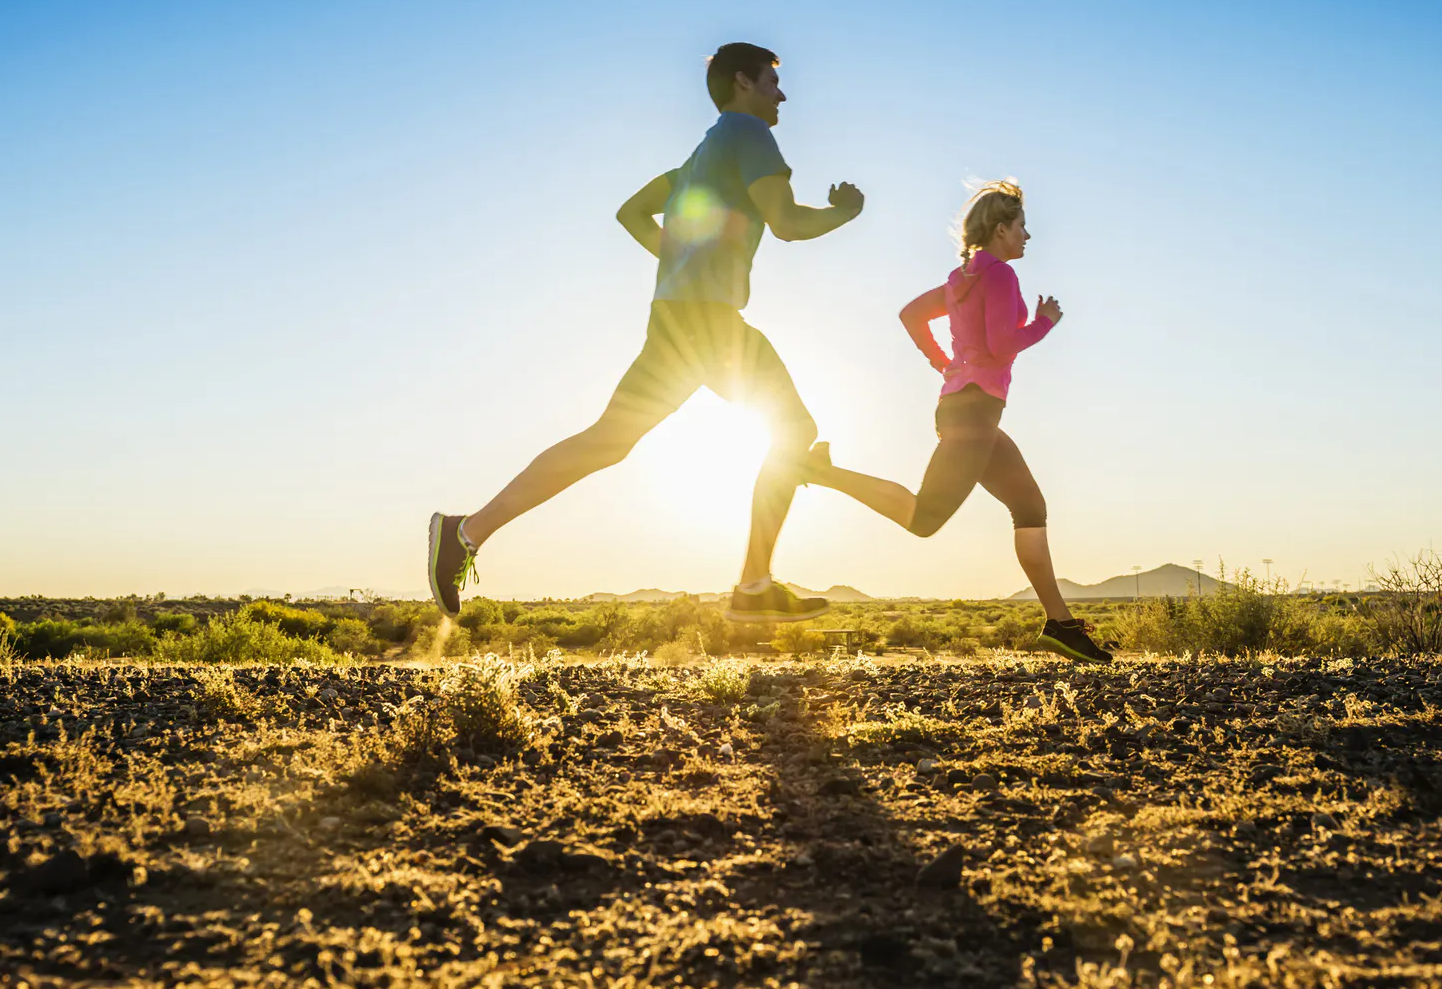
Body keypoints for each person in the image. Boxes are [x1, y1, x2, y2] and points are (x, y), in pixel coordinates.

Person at [428, 42, 863, 623]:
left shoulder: (698, 158)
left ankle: (466, 531)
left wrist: (678, 258)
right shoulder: (748, 134)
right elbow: (785, 223)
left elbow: (629, 212)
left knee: (608, 441)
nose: (781, 95)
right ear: (743, 83)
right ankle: (754, 586)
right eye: (772, 83)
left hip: (675, 318)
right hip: (708, 321)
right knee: (793, 428)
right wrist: (846, 213)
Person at [798, 180, 1112, 663]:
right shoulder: (1001, 277)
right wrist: (1046, 321)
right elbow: (1001, 345)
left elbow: (910, 315)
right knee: (924, 519)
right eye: (1022, 227)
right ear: (1001, 228)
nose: (1028, 236)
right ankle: (821, 471)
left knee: (1030, 505)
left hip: (968, 409)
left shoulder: (960, 278)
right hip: (973, 414)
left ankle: (1061, 625)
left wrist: (940, 362)